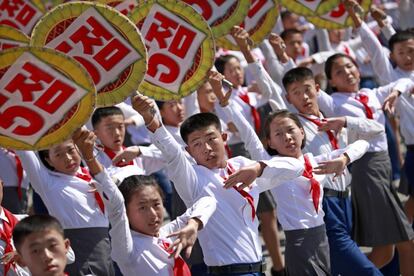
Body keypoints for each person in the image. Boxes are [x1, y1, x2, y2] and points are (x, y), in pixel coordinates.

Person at [209, 70, 371, 276]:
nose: (287, 137)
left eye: (291, 130)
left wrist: (343, 159)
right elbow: (248, 134)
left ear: (301, 132)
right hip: (299, 240)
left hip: (323, 236)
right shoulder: (271, 163)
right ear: (270, 142)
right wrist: (226, 104)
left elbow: (362, 143)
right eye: (278, 134)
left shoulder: (316, 162)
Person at [131, 92, 305, 275]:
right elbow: (171, 151)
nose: (206, 148)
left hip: (259, 268)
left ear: (224, 137)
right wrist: (150, 118)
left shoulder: (243, 166)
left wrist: (258, 168)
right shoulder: (192, 178)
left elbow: (296, 167)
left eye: (211, 139)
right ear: (188, 151)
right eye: (197, 144)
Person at [72, 128, 217, 275]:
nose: (153, 214)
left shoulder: (167, 233)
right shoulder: (127, 249)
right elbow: (116, 205)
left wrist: (193, 224)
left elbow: (208, 201)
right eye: (142, 208)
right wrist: (90, 158)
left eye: (156, 204)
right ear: (126, 212)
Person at [320, 52, 414, 274]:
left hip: (384, 170)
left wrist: (395, 93)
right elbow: (299, 83)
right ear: (331, 81)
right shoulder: (334, 102)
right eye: (339, 72)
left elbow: (406, 79)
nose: (347, 73)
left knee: (385, 251)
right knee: (407, 244)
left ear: (359, 69)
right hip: (367, 171)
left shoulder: (372, 93)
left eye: (350, 67)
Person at [16, 140, 114, 275]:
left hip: (106, 251)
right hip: (80, 255)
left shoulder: (94, 175)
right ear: (49, 161)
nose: (68, 158)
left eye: (70, 150)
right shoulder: (48, 183)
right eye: (58, 155)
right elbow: (24, 152)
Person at [91, 106, 165, 178]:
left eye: (120, 126)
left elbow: (169, 154)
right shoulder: (94, 161)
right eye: (109, 128)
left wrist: (139, 151)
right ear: (96, 133)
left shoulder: (136, 156)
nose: (117, 133)